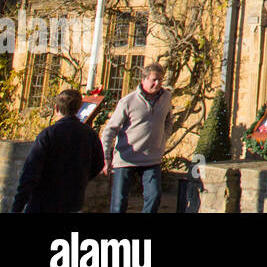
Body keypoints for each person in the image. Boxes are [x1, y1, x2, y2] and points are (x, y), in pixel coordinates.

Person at [10, 87, 105, 213]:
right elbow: (98, 164)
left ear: (56, 108)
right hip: (73, 202)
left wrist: (17, 207)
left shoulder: (48, 135)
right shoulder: (90, 135)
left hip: (44, 203)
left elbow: (30, 173)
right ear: (79, 108)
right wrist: (80, 178)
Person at [101, 62, 173, 213]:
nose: (157, 83)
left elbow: (168, 121)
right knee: (119, 203)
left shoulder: (166, 98)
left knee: (154, 197)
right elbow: (110, 130)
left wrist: (162, 140)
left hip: (152, 158)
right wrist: (106, 157)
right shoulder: (127, 101)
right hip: (126, 158)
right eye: (154, 79)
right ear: (144, 79)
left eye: (160, 80)